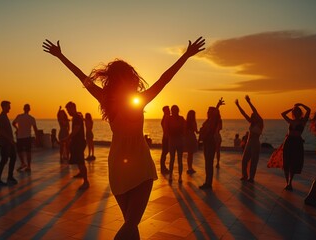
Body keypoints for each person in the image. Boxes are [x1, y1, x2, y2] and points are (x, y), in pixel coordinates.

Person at [43, 35, 205, 239]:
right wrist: (186, 56)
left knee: (131, 224)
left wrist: (60, 56)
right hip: (140, 165)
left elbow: (82, 77)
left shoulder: (107, 99)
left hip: (118, 166)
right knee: (131, 223)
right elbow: (164, 79)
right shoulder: (138, 99)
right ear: (130, 78)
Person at [281, 103, 311, 191]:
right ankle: (287, 183)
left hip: (297, 142)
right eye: (295, 112)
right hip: (288, 141)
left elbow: (308, 110)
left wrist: (301, 104)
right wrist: (292, 108)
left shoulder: (303, 121)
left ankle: (290, 182)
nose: (296, 113)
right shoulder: (291, 121)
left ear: (300, 112)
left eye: (298, 111)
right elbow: (283, 114)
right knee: (286, 161)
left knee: (294, 162)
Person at [235, 95, 263, 183]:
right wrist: (238, 105)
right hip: (249, 142)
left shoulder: (260, 123)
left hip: (255, 143)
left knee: (254, 161)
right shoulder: (251, 122)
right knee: (244, 160)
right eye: (252, 116)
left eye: (253, 116)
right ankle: (244, 175)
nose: (252, 117)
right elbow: (243, 114)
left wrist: (249, 102)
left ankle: (251, 178)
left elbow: (255, 111)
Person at [63, 102, 89, 190]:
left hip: (79, 143)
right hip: (76, 142)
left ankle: (86, 181)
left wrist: (67, 138)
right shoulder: (76, 117)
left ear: (73, 108)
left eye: (68, 110)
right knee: (78, 160)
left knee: (81, 161)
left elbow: (76, 130)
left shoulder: (77, 118)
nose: (68, 112)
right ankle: (81, 173)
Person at [0, 100, 18, 186]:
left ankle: (10, 177)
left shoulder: (4, 116)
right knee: (4, 160)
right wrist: (10, 140)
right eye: (8, 106)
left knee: (13, 157)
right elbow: (2, 131)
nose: (10, 108)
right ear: (3, 106)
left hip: (9, 142)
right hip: (5, 143)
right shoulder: (1, 117)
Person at [198, 106, 220, 189]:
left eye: (209, 112)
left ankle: (208, 183)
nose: (207, 113)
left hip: (210, 143)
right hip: (206, 143)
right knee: (207, 164)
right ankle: (207, 182)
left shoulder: (213, 121)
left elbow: (215, 115)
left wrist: (217, 105)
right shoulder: (208, 121)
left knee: (209, 164)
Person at [12, 104, 38, 172]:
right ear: (29, 109)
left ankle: (23, 163)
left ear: (23, 109)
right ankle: (28, 166)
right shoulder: (31, 118)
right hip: (27, 137)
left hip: (20, 137)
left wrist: (17, 129)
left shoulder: (19, 116)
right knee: (28, 152)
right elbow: (35, 129)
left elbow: (13, 123)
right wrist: (37, 138)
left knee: (19, 151)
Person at [168, 105, 186, 183]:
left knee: (178, 159)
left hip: (177, 140)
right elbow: (166, 130)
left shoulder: (181, 119)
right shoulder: (170, 119)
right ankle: (173, 176)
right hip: (174, 140)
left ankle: (178, 176)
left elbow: (184, 129)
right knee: (174, 159)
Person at [185, 110, 198, 174]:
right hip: (191, 137)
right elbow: (196, 131)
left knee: (189, 154)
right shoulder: (193, 122)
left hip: (187, 138)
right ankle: (190, 167)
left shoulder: (186, 122)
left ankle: (189, 167)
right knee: (191, 154)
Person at [160, 106, 170, 174]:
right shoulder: (166, 117)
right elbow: (166, 128)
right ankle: (163, 168)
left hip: (165, 137)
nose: (169, 111)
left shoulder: (165, 117)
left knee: (164, 153)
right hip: (166, 137)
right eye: (168, 110)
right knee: (165, 152)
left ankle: (163, 167)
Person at [214, 98, 224, 168]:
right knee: (217, 150)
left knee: (215, 150)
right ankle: (217, 163)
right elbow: (221, 128)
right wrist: (218, 105)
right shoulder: (219, 120)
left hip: (215, 136)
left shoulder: (215, 120)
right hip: (217, 135)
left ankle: (217, 162)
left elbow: (215, 111)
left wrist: (218, 105)